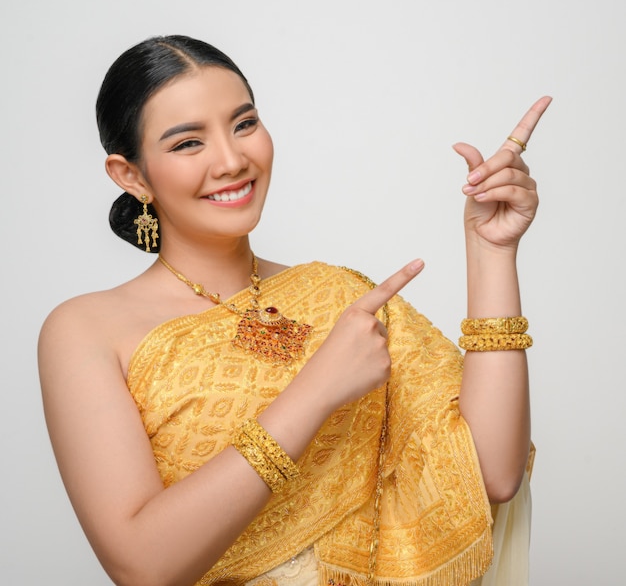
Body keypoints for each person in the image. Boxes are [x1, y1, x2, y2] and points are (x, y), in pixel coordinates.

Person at [38, 34, 550, 586]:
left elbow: (492, 475)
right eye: (188, 143)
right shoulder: (85, 331)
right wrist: (315, 391)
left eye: (245, 123)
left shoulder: (341, 295)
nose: (233, 160)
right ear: (130, 175)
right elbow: (142, 566)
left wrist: (492, 250)